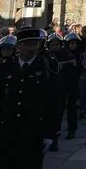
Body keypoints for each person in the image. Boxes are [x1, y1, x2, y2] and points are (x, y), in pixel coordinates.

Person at [0, 27, 62, 166]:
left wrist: (50, 133)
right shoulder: (7, 67)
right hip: (7, 131)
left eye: (35, 44)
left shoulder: (45, 68)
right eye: (27, 44)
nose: (32, 48)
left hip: (34, 132)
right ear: (18, 46)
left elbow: (53, 102)